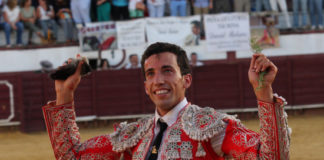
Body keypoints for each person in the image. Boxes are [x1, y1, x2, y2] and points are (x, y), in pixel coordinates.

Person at [42, 42, 290, 159]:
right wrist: (65, 94)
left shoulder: (212, 127)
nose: (158, 80)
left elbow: (271, 158)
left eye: (168, 71)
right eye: (151, 74)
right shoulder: (133, 137)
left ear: (187, 80)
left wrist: (264, 93)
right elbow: (72, 156)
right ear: (145, 87)